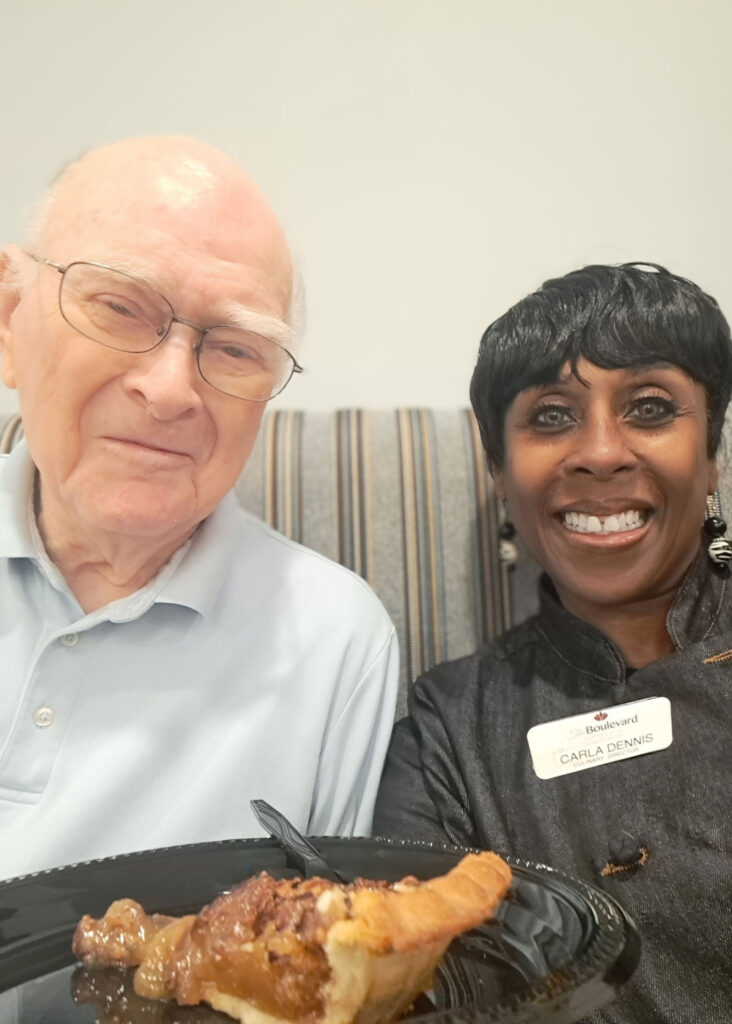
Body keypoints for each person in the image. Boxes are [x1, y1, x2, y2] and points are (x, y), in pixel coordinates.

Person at [0, 136, 398, 881]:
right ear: (9, 317)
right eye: (120, 307)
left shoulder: (334, 643)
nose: (172, 388)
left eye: (237, 348)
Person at [374, 263, 732, 1022]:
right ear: (500, 472)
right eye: (551, 416)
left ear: (713, 458)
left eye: (649, 406)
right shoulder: (450, 727)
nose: (600, 453)